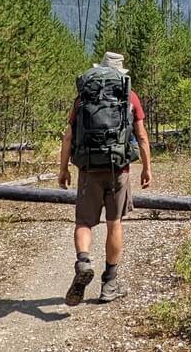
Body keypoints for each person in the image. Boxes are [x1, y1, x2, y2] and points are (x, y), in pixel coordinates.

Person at [58, 51, 152, 305]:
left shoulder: (83, 98)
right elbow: (141, 136)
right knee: (115, 222)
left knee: (84, 222)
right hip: (118, 169)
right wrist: (146, 167)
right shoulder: (129, 96)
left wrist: (63, 168)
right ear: (120, 73)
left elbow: (68, 136)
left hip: (88, 168)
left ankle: (83, 261)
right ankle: (109, 283)